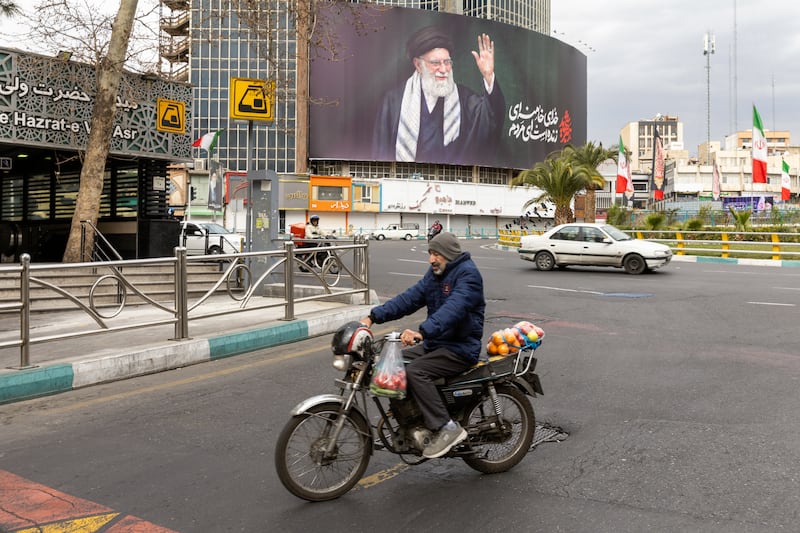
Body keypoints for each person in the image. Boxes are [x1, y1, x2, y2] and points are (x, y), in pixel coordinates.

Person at [360, 232, 485, 459]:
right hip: (438, 343)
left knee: (416, 372)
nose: (431, 259)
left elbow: (454, 309)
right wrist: (372, 317)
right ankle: (412, 421)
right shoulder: (436, 274)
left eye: (436, 254)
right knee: (394, 366)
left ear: (448, 254)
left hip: (460, 347)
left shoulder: (469, 275)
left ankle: (447, 427)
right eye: (430, 253)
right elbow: (410, 298)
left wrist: (422, 332)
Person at [372, 26, 505, 165]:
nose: (443, 69)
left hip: (452, 182)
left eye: (447, 62)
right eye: (435, 63)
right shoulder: (393, 101)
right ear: (418, 65)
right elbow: (381, 152)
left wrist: (488, 76)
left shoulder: (465, 99)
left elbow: (490, 117)